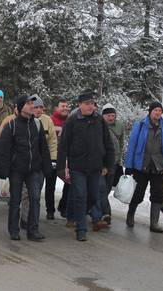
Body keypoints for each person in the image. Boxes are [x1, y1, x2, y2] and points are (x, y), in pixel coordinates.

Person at [57, 90, 115, 241]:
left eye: (93, 104)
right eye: (87, 104)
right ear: (79, 105)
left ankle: (77, 215)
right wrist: (61, 167)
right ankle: (81, 229)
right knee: (81, 195)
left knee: (94, 195)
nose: (91, 107)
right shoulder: (72, 121)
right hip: (78, 166)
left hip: (96, 167)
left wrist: (108, 165)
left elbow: (108, 143)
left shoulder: (99, 120)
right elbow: (63, 145)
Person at [0, 95, 52, 241]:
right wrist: (3, 170)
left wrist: (46, 167)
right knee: (15, 200)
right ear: (21, 107)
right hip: (16, 170)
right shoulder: (12, 125)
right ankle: (14, 230)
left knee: (35, 199)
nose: (31, 106)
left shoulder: (37, 124)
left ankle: (33, 230)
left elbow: (43, 148)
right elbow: (3, 149)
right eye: (28, 104)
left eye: (32, 104)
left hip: (34, 169)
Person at [125, 102, 163, 233]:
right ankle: (130, 214)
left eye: (160, 110)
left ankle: (154, 223)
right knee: (138, 193)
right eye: (155, 110)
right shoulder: (140, 125)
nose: (158, 113)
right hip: (142, 166)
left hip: (158, 166)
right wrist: (129, 165)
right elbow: (132, 146)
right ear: (150, 111)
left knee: (157, 194)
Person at [32, 95, 58, 220]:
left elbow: (52, 141)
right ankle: (28, 213)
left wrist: (53, 159)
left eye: (41, 107)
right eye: (36, 107)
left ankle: (48, 211)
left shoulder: (47, 120)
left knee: (45, 187)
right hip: (29, 160)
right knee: (31, 189)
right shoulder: (25, 119)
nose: (38, 109)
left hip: (44, 160)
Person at [100, 103, 125, 224]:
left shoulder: (120, 126)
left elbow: (121, 142)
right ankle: (105, 213)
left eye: (113, 115)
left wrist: (119, 159)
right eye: (108, 115)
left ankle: (100, 211)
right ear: (103, 116)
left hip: (113, 163)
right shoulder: (98, 124)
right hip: (100, 162)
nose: (111, 118)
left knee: (107, 188)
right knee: (100, 188)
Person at [51, 98, 71, 218]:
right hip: (53, 156)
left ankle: (64, 206)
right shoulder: (51, 120)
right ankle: (50, 210)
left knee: (69, 182)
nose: (65, 108)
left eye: (66, 106)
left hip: (67, 157)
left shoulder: (70, 121)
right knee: (51, 183)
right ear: (56, 108)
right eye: (62, 106)